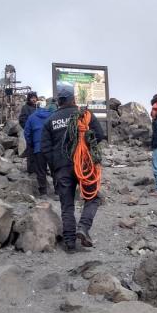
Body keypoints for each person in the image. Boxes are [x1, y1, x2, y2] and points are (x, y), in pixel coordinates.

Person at [41, 87, 105, 252]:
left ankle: (70, 243)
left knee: (67, 205)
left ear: (59, 101)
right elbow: (99, 134)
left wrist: (55, 167)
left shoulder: (50, 121)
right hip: (84, 166)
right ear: (73, 99)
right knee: (93, 197)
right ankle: (83, 227)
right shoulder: (85, 115)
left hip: (62, 168)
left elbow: (45, 149)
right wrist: (87, 148)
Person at [24, 98, 51, 196]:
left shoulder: (31, 117)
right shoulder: (52, 116)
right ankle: (57, 192)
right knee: (55, 170)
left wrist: (31, 144)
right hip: (51, 148)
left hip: (38, 148)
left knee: (41, 170)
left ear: (36, 106)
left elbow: (27, 133)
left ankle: (43, 192)